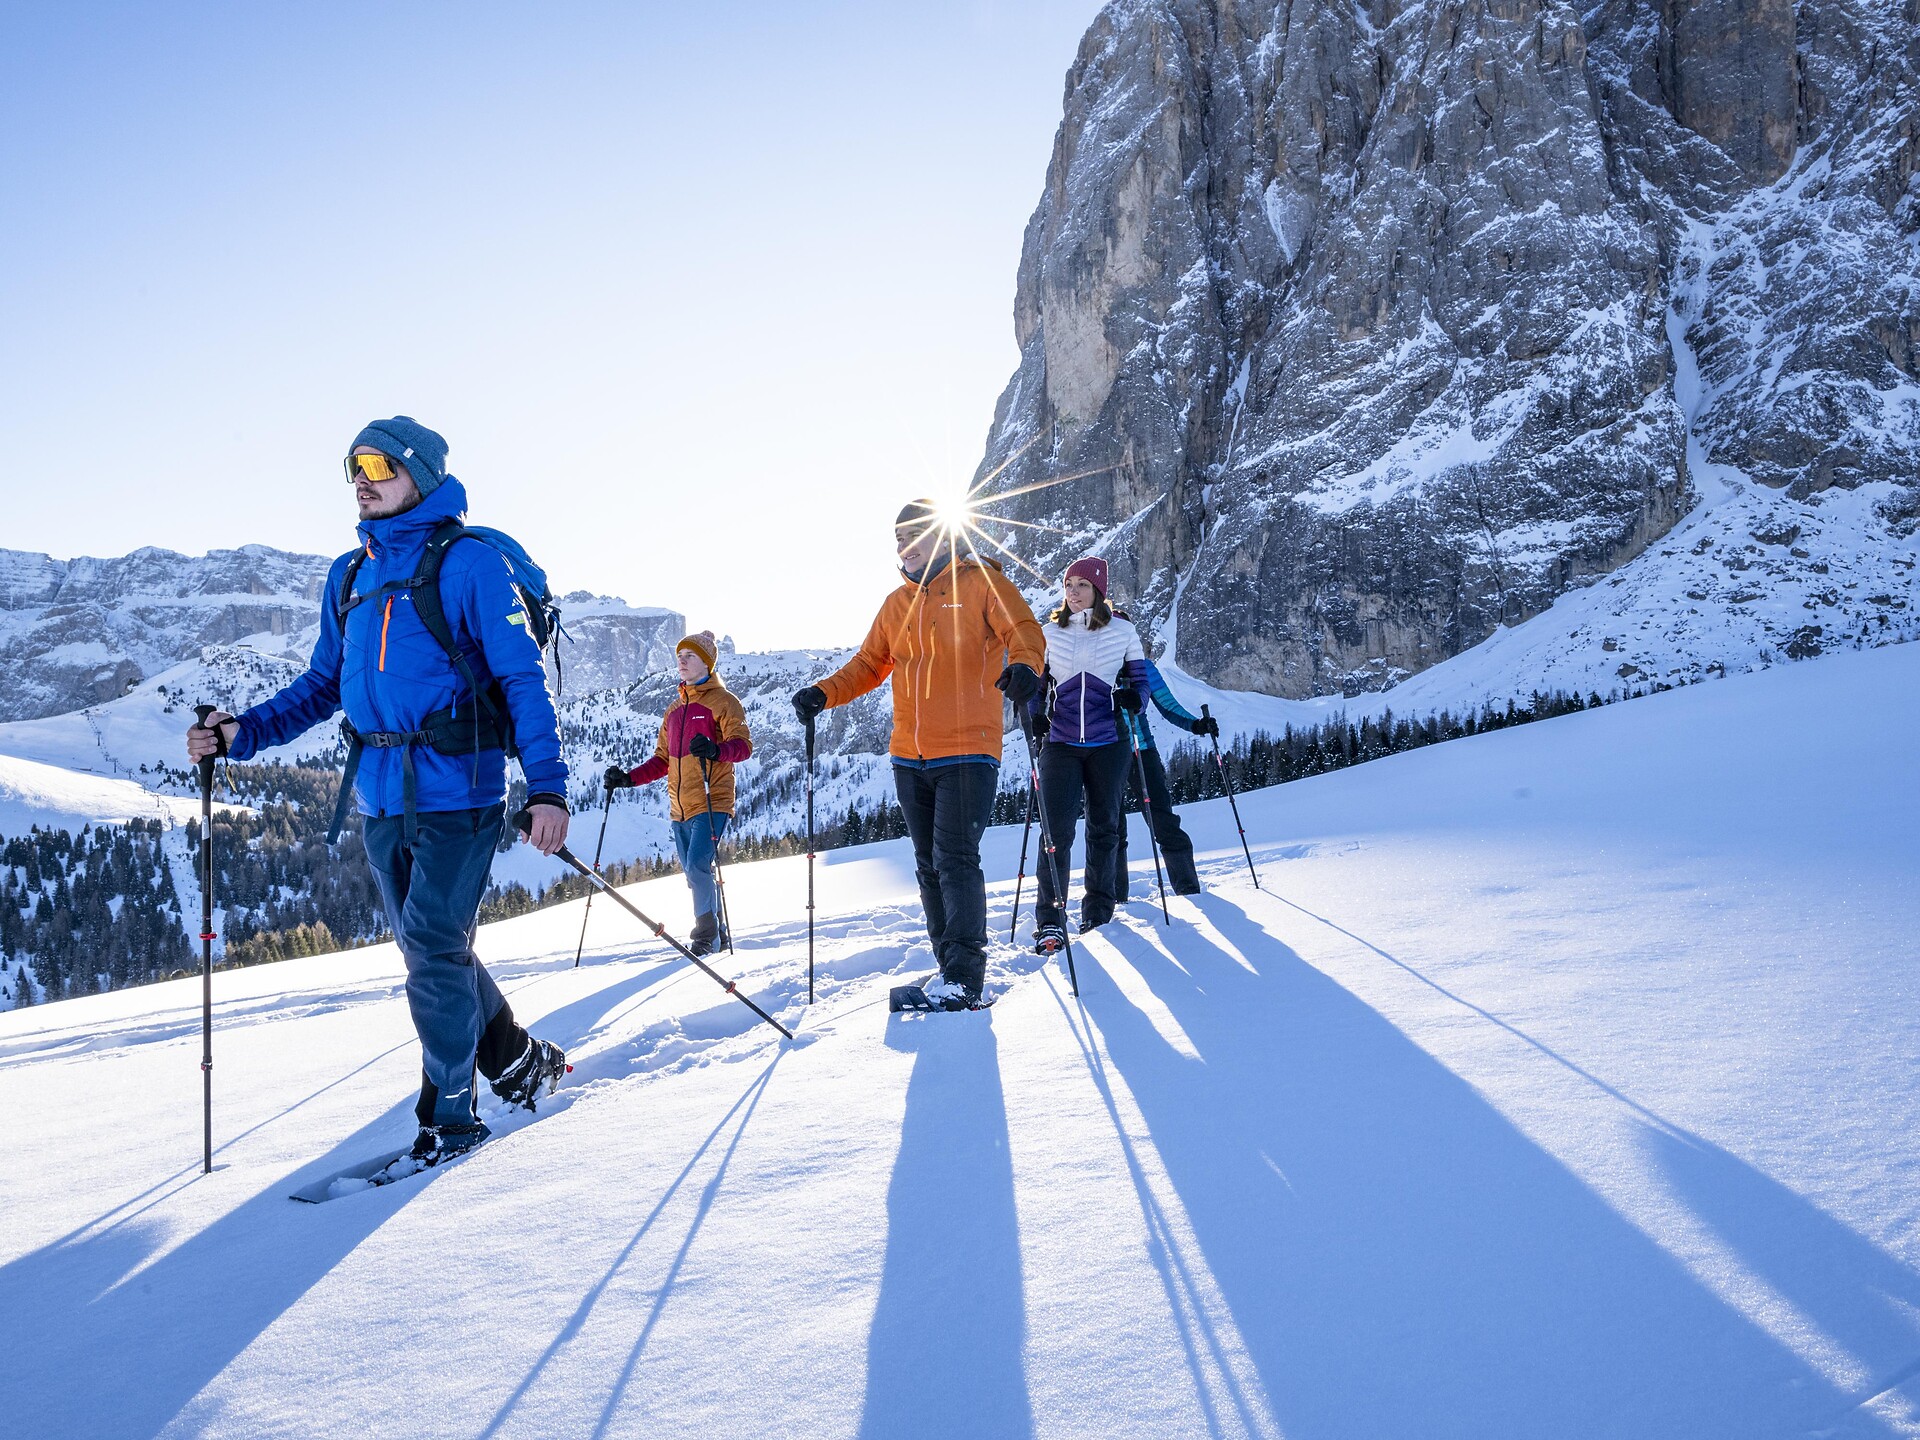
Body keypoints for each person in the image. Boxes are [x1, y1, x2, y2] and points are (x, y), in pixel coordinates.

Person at [186, 416, 572, 1165]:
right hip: (379, 799)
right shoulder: (351, 574)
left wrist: (547, 789)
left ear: (420, 475)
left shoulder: (470, 564)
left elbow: (523, 681)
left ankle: (451, 1118)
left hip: (460, 790)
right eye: (353, 466)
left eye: (379, 464)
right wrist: (243, 733)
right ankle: (521, 1062)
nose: (362, 478)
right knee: (433, 949)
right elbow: (321, 686)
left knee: (431, 943)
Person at [791, 499, 1045, 1009]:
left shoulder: (981, 583)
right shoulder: (895, 604)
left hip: (968, 750)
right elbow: (868, 663)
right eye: (898, 538)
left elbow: (1024, 632)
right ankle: (947, 967)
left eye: (914, 534)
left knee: (955, 859)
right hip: (910, 755)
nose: (904, 545)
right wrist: (825, 692)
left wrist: (1024, 667)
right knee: (928, 864)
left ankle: (966, 977)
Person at [1026, 556, 1149, 951]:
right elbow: (1037, 687)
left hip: (1107, 743)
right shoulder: (1049, 634)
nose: (1073, 592)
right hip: (1060, 743)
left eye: (1081, 584)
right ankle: (1050, 920)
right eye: (1068, 585)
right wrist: (1035, 719)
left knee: (1104, 827)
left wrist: (1135, 700)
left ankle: (1098, 910)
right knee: (1056, 832)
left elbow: (1140, 682)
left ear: (1099, 589)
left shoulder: (1123, 631)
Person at [605, 630, 751, 956]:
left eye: (690, 656)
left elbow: (743, 747)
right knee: (694, 874)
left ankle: (705, 939)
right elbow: (662, 760)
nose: (682, 661)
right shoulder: (674, 711)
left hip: (712, 799)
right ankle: (720, 933)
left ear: (707, 662)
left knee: (698, 867)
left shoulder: (724, 702)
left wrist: (716, 750)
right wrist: (627, 779)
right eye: (680, 657)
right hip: (680, 807)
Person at [1108, 627, 1213, 898]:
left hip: (1141, 752)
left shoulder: (1143, 669)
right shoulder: (1094, 665)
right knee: (1110, 829)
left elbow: (1168, 706)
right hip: (1104, 755)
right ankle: (1115, 899)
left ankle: (1188, 890)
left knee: (1163, 822)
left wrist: (1196, 725)